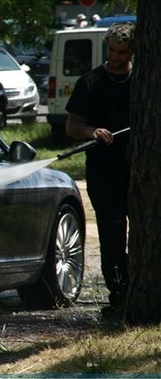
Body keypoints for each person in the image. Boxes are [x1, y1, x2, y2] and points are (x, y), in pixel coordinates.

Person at [65, 22, 134, 313]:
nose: (115, 57)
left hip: (139, 171)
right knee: (112, 233)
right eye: (112, 50)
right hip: (104, 172)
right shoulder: (90, 82)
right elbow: (72, 127)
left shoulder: (146, 79)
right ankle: (118, 295)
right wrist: (93, 131)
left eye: (122, 52)